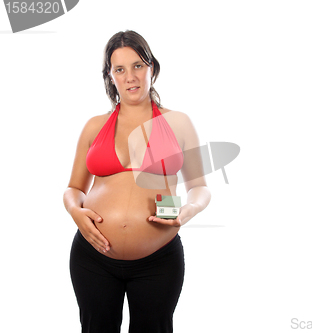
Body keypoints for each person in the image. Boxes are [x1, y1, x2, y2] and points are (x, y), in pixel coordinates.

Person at [63, 30, 211, 333]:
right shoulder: (94, 126)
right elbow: (74, 188)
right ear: (110, 76)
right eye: (120, 69)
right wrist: (75, 212)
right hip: (93, 258)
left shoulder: (178, 122)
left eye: (138, 66)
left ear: (151, 68)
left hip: (159, 260)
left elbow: (200, 187)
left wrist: (188, 210)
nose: (130, 76)